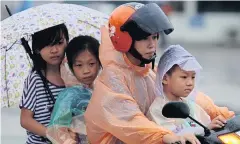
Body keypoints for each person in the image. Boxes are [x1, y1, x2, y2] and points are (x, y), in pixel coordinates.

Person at [147, 45, 235, 136]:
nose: (190, 83)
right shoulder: (158, 109)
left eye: (193, 77)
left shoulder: (190, 105)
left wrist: (216, 123)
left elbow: (206, 123)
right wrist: (206, 129)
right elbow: (171, 136)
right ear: (165, 78)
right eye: (184, 77)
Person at [46, 35, 102, 144]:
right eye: (79, 65)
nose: (86, 71)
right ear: (71, 67)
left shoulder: (105, 89)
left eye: (91, 64)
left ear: (100, 63)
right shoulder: (69, 95)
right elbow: (57, 129)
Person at [19, 24, 69, 143]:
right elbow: (25, 120)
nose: (54, 50)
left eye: (59, 42)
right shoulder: (35, 80)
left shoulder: (74, 77)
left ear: (67, 42)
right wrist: (51, 134)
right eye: (47, 44)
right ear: (37, 49)